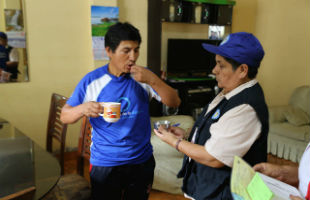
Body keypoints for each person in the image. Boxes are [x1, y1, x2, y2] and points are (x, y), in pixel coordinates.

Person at [60, 22, 181, 200]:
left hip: (141, 160)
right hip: (106, 163)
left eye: (136, 50)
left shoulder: (144, 77)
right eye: (126, 51)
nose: (133, 57)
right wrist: (82, 108)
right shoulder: (93, 81)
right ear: (109, 51)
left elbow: (174, 101)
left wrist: (153, 80)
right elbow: (65, 116)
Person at [154, 32, 269, 200]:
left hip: (224, 193)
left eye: (221, 65)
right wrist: (186, 135)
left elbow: (213, 157)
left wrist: (174, 142)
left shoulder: (246, 107)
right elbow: (217, 132)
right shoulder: (229, 92)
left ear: (243, 70)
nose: (214, 70)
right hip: (207, 187)